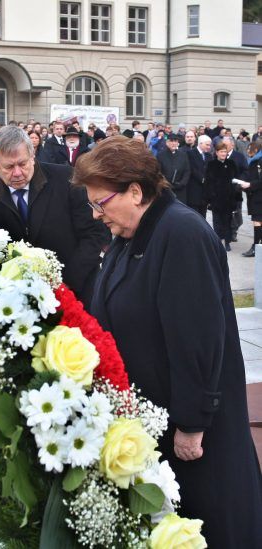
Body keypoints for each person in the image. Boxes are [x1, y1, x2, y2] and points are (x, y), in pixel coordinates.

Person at [73, 135, 262, 549]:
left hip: (192, 435)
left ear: (135, 191)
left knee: (205, 529)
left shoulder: (181, 233)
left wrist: (191, 424)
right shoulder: (132, 233)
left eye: (100, 204)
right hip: (153, 419)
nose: (95, 214)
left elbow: (197, 338)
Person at [0, 125, 109, 306]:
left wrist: (65, 284)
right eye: (9, 166)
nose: (17, 173)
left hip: (74, 292)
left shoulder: (66, 179)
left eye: (22, 164)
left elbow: (94, 234)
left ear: (32, 156)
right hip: (19, 300)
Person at [204, 141, 240, 251]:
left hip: (229, 198)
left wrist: (237, 198)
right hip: (216, 198)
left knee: (228, 221)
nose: (223, 154)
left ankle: (227, 242)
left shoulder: (231, 163)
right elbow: (208, 182)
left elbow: (236, 180)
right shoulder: (211, 164)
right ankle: (218, 242)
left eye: (225, 151)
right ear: (217, 152)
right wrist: (210, 198)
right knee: (217, 221)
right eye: (221, 152)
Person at [239, 142, 262, 257]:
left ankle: (256, 247)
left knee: (257, 221)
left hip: (258, 197)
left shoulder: (258, 161)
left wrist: (250, 185)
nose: (248, 151)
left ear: (255, 149)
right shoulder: (253, 161)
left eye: (249, 148)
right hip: (255, 196)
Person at [157, 133, 190, 203]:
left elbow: (187, 171)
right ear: (167, 143)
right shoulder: (160, 156)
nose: (174, 143)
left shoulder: (183, 155)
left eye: (175, 141)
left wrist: (182, 183)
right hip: (166, 189)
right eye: (171, 141)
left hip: (180, 190)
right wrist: (166, 184)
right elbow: (158, 172)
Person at [186, 135, 212, 218]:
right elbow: (191, 168)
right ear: (200, 143)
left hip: (205, 192)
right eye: (207, 145)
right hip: (194, 190)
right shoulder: (190, 153)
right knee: (194, 216)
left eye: (209, 145)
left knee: (203, 216)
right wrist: (202, 179)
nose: (209, 147)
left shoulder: (209, 156)